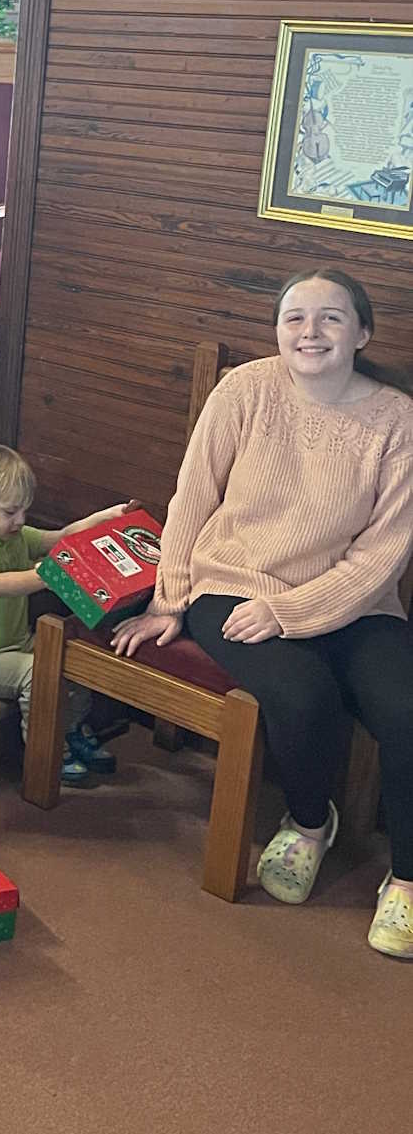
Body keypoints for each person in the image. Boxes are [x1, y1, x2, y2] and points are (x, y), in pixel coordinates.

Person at [113, 269, 413, 958]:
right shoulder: (245, 389)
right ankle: (311, 823)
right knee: (303, 697)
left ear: (362, 333)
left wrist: (293, 610)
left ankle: (407, 877)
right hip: (235, 584)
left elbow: (384, 552)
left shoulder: (396, 419)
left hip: (357, 603)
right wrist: (172, 595)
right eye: (295, 318)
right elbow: (193, 496)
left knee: (406, 710)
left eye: (331, 318)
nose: (310, 332)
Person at [0, 445, 132, 787]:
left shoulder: (12, 535)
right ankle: (45, 753)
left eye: (24, 511)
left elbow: (60, 538)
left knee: (72, 658)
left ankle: (70, 729)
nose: (21, 521)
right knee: (37, 673)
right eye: (10, 512)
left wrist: (104, 518)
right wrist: (47, 574)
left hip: (19, 642)